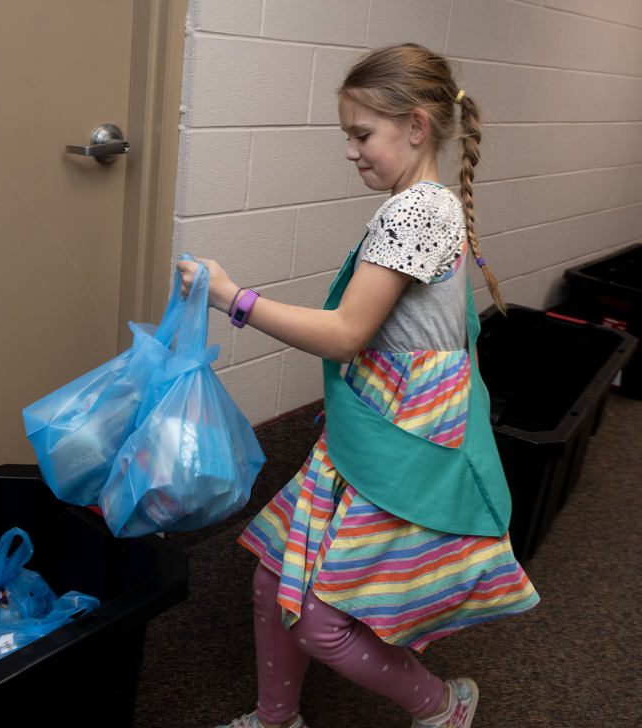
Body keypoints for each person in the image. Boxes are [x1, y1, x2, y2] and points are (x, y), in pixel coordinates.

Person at [177, 44, 540, 728]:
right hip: (377, 423)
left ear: (416, 126)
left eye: (362, 134)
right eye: (348, 135)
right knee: (274, 575)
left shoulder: (415, 213)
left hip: (400, 441)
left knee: (317, 617)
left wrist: (234, 298)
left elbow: (347, 333)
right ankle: (276, 718)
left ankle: (444, 705)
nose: (351, 151)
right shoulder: (421, 204)